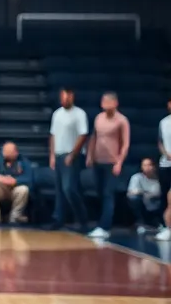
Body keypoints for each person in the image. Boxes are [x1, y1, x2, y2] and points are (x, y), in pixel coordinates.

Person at [86, 92, 130, 238]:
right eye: (104, 102)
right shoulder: (99, 118)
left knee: (108, 194)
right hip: (98, 161)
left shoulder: (122, 120)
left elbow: (125, 144)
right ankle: (101, 223)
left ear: (115, 103)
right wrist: (89, 155)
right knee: (100, 193)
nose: (105, 104)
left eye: (108, 102)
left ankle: (105, 227)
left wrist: (119, 162)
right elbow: (94, 137)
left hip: (112, 163)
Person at [48, 88, 89, 230]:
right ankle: (58, 219)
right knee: (59, 190)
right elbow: (52, 135)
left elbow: (83, 135)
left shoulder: (79, 114)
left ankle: (83, 219)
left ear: (72, 97)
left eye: (67, 97)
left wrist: (73, 154)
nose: (64, 100)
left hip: (72, 155)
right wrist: (52, 155)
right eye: (62, 98)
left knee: (69, 188)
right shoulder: (57, 114)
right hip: (59, 154)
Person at [0, 142, 32, 225]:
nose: (6, 155)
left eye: (9, 153)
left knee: (24, 189)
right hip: (1, 189)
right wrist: (3, 179)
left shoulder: (23, 161)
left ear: (16, 153)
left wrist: (15, 180)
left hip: (15, 188)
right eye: (5, 152)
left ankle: (14, 217)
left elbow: (29, 178)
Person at [127, 158, 165, 234]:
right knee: (133, 198)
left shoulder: (158, 179)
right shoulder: (136, 177)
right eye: (144, 165)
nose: (147, 167)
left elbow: (158, 193)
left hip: (154, 203)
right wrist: (144, 193)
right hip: (142, 202)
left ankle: (159, 223)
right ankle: (140, 222)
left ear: (154, 167)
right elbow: (131, 192)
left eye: (149, 165)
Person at [159, 98, 171, 207]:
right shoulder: (163, 122)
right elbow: (160, 142)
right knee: (165, 193)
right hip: (166, 163)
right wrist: (166, 154)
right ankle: (164, 222)